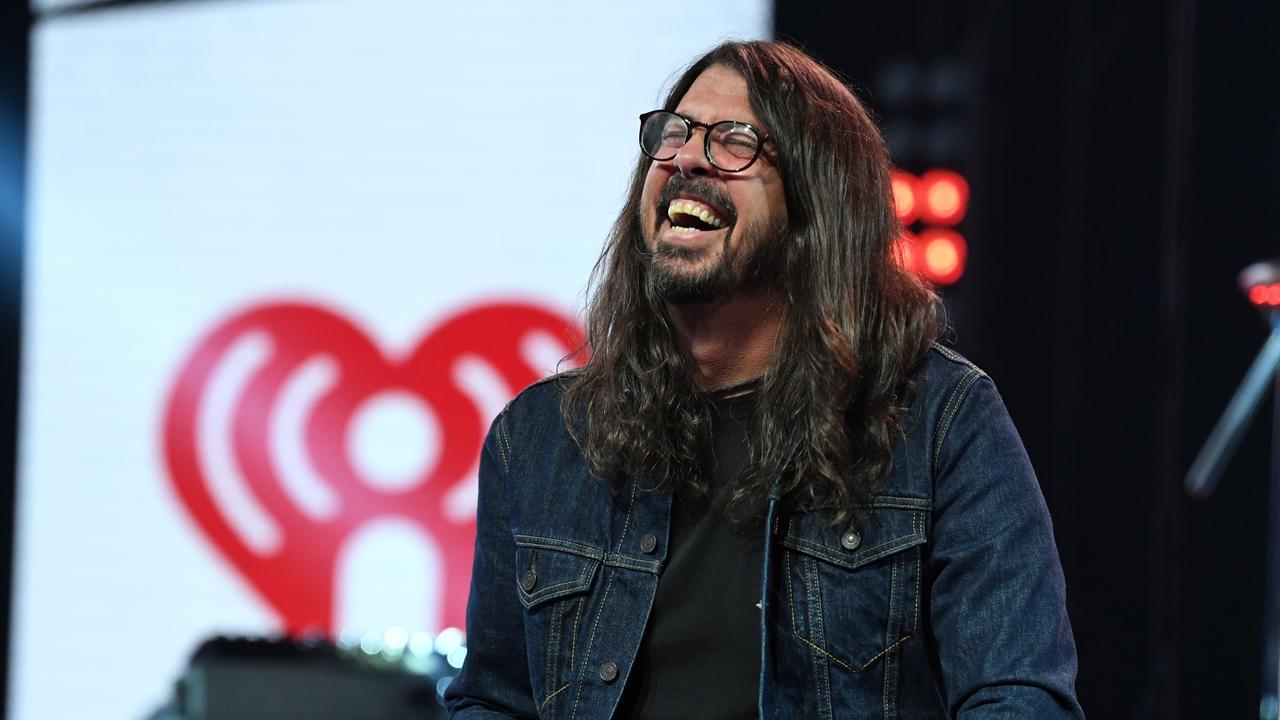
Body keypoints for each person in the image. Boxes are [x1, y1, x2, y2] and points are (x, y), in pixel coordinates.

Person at [444, 40, 1083, 719]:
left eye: (735, 142)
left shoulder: (941, 422)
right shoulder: (542, 438)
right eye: (675, 134)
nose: (687, 157)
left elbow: (1017, 698)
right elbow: (493, 700)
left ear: (817, 205)